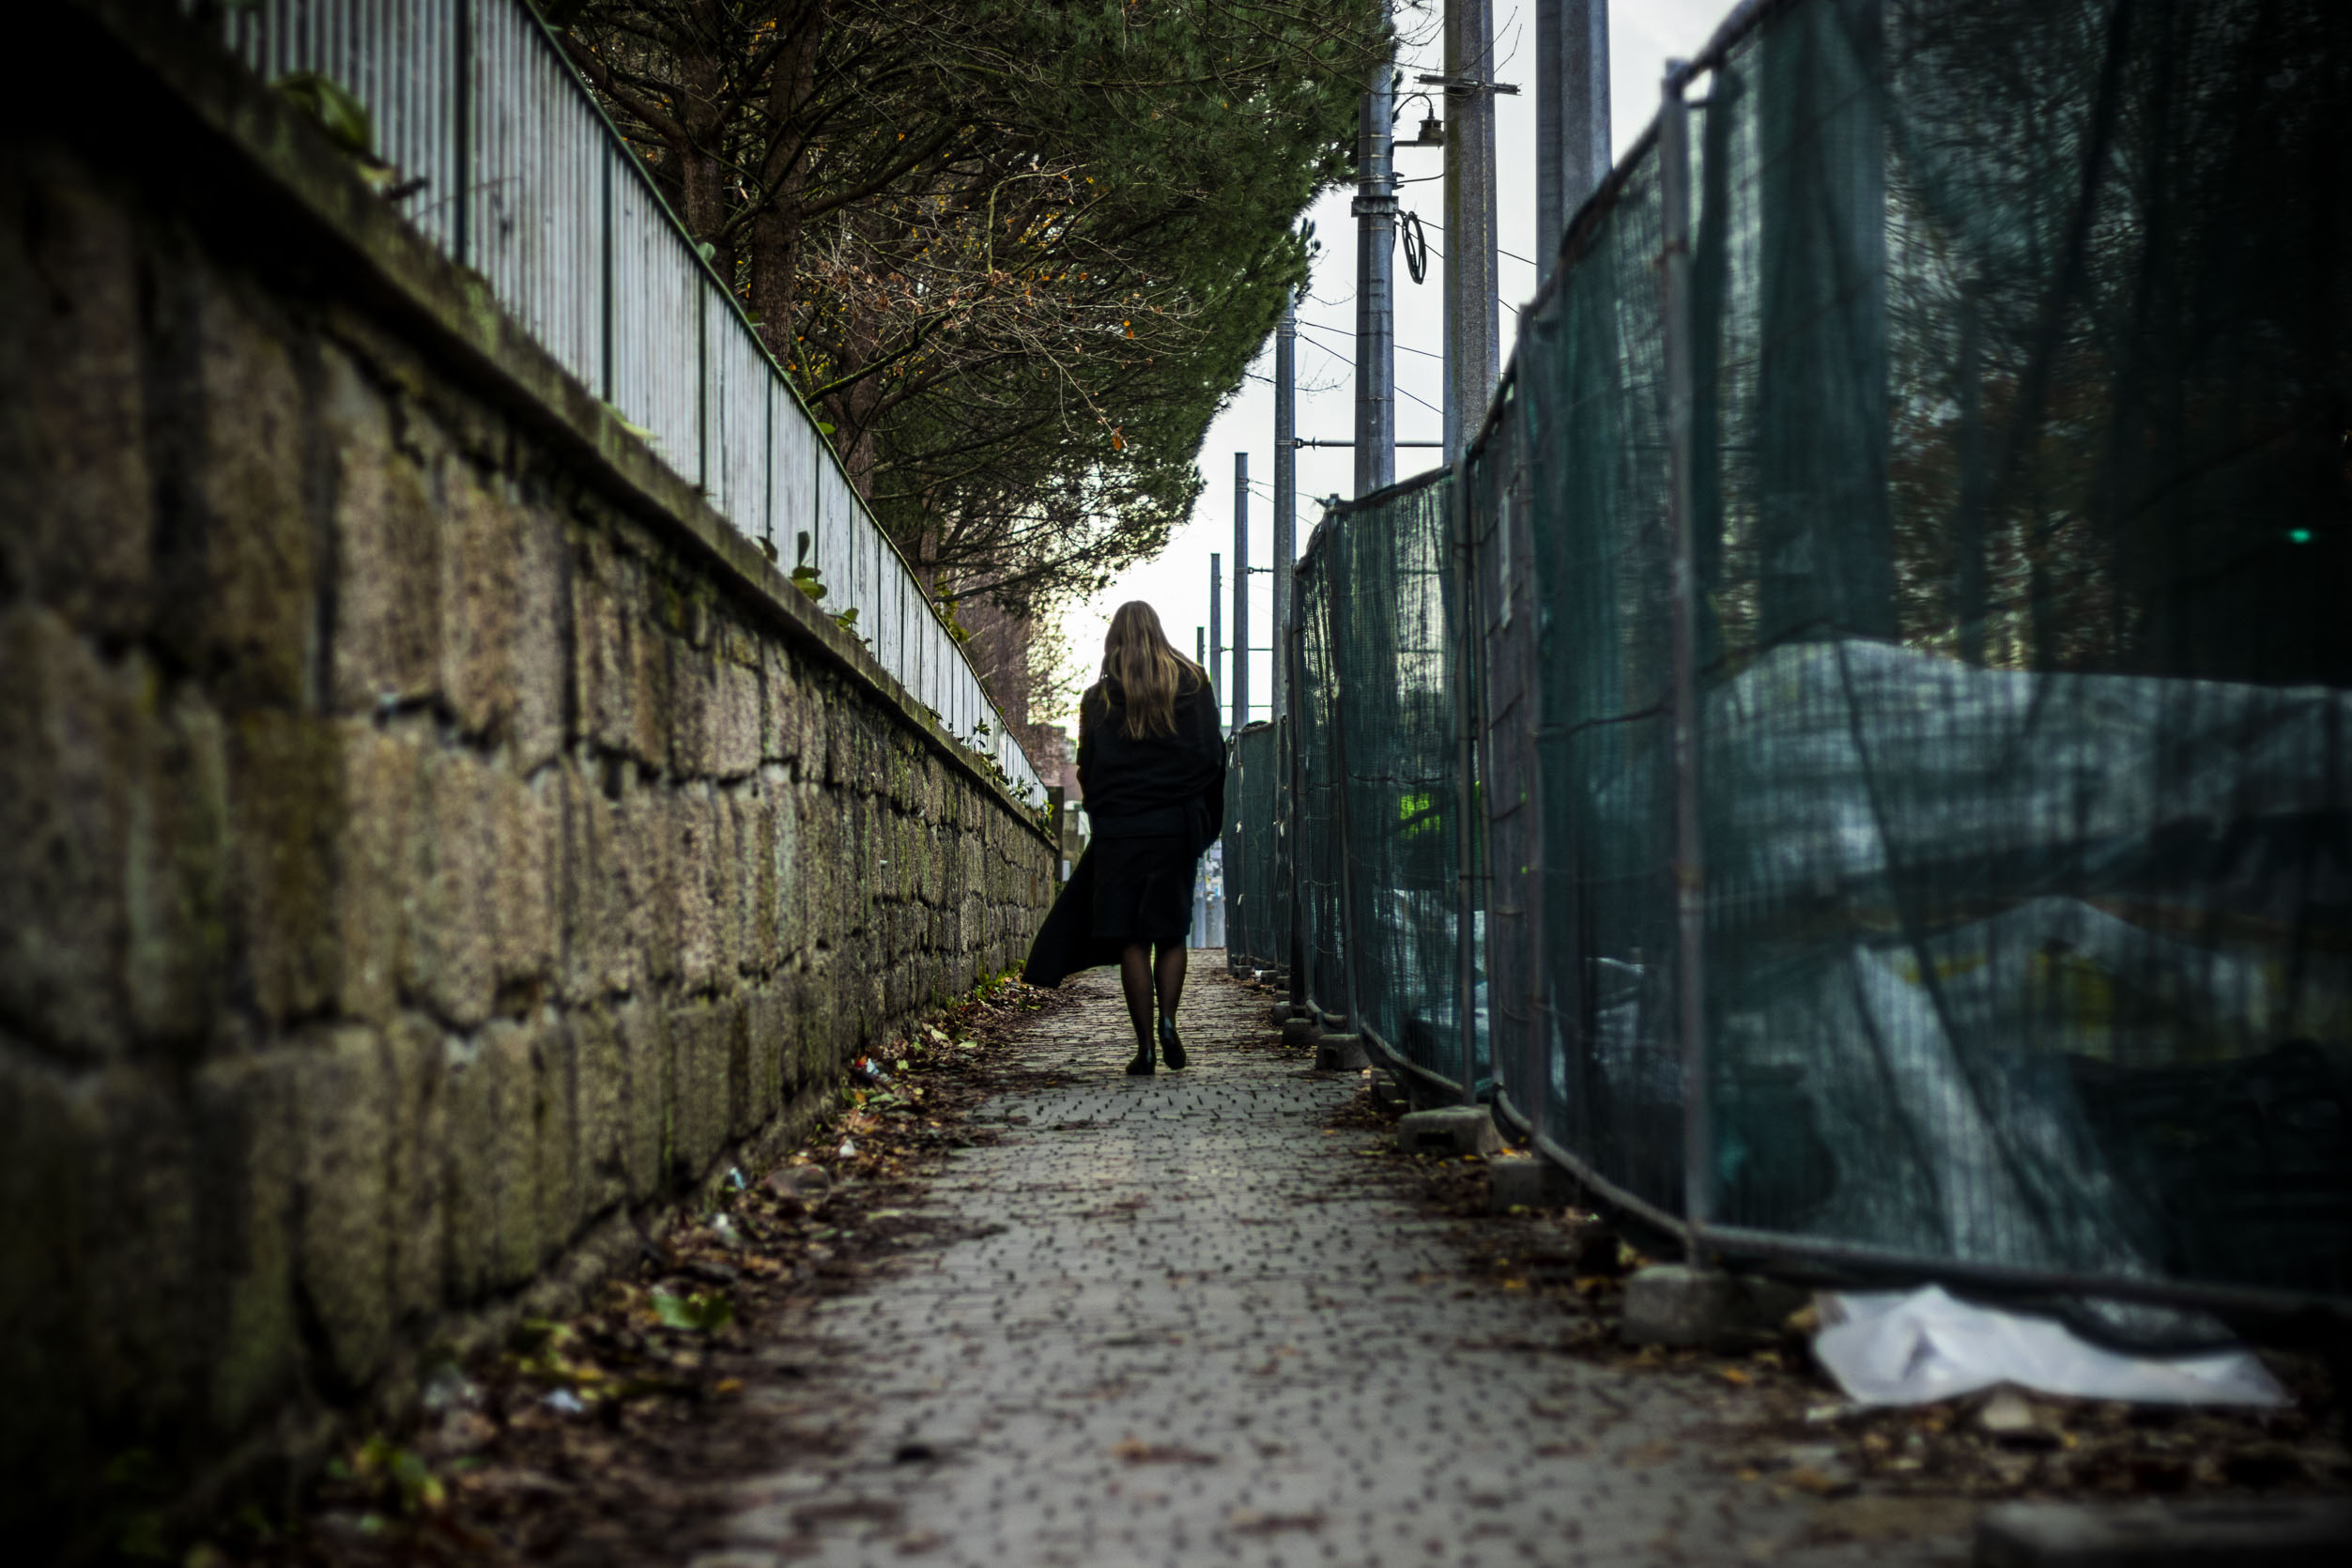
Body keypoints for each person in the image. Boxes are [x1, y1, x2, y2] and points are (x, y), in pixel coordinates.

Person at [1024, 602, 1227, 1074]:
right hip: (1174, 826)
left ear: (1114, 639)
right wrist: (1196, 816)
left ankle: (1145, 1048)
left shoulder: (1098, 698)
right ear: (1159, 633)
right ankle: (1171, 1022)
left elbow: (1088, 767)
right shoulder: (1194, 685)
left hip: (1120, 832)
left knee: (1132, 940)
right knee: (1171, 933)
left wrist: (1106, 809)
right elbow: (1211, 757)